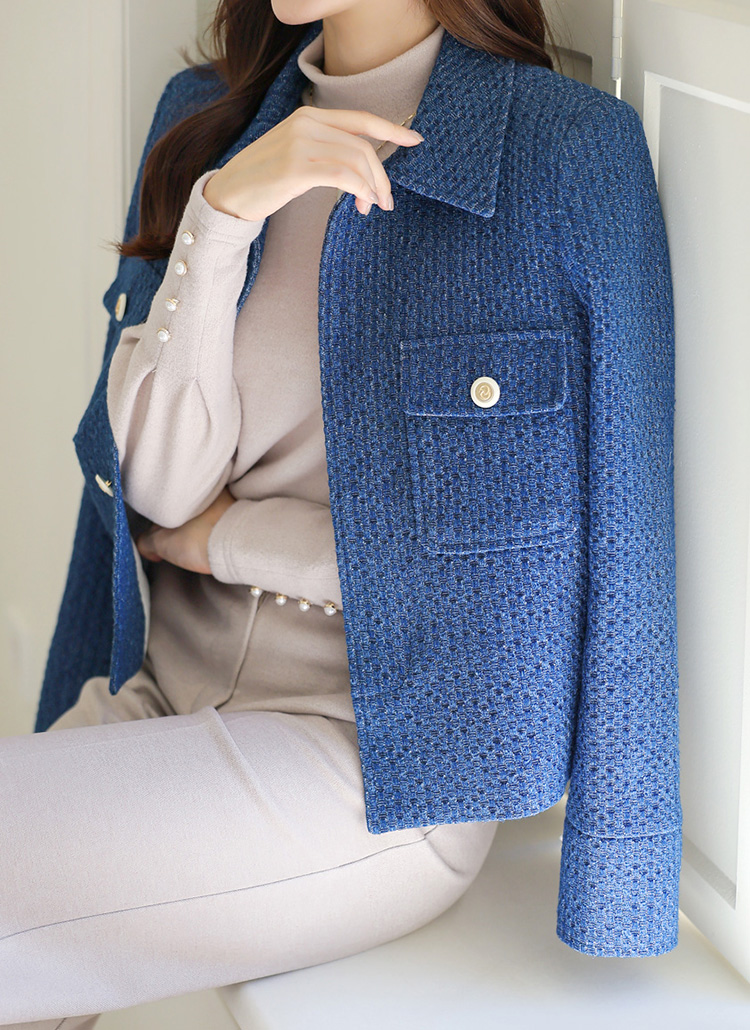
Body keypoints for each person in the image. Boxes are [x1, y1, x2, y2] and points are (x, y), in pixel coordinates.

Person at [2, 0, 682, 1025]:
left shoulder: (561, 152)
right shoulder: (208, 117)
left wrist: (231, 539)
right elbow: (155, 488)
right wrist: (222, 216)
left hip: (378, 760)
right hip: (161, 684)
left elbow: (591, 561)